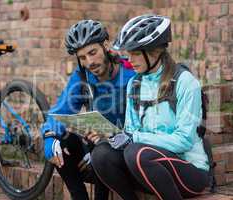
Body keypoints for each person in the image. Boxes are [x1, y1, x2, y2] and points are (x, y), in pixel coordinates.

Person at [89, 14, 210, 200]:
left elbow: (184, 141)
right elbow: (131, 130)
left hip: (190, 172)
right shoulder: (135, 84)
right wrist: (112, 136)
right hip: (148, 169)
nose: (129, 60)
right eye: (128, 54)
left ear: (154, 52)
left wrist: (133, 137)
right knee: (101, 155)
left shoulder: (185, 82)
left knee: (138, 153)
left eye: (135, 53)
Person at [40, 19, 136, 200]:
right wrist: (50, 136)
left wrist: (109, 138)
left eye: (93, 53)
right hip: (96, 146)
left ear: (106, 45)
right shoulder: (82, 75)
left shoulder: (132, 72)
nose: (89, 62)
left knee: (100, 149)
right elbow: (61, 110)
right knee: (62, 142)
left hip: (128, 149)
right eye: (82, 58)